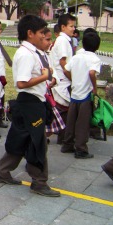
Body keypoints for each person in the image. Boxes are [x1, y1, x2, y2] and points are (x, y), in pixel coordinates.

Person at [0, 15, 60, 198]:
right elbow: (22, 83)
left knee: (22, 139)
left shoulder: (33, 52)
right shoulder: (25, 54)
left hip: (34, 101)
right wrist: (44, 77)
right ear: (30, 33)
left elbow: (34, 79)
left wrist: (47, 81)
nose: (43, 36)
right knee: (38, 142)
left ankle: (3, 171)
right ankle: (39, 181)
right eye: (40, 33)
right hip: (29, 103)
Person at [60, 32, 101, 158]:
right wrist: (94, 88)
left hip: (75, 92)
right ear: (97, 46)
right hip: (85, 94)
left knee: (71, 120)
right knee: (83, 123)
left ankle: (67, 144)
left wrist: (74, 79)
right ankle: (81, 149)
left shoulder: (77, 57)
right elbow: (92, 73)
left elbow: (66, 69)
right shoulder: (95, 59)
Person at [49, 13, 76, 144]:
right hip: (62, 80)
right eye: (71, 26)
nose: (73, 29)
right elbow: (63, 63)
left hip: (62, 80)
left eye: (74, 26)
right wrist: (73, 78)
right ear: (63, 27)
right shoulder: (63, 40)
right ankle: (59, 136)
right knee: (62, 110)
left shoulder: (64, 40)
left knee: (62, 111)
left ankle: (61, 136)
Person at [38, 28, 65, 141]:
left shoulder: (47, 55)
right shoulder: (33, 56)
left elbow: (53, 70)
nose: (50, 43)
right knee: (39, 119)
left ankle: (43, 136)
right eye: (47, 39)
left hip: (47, 92)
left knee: (49, 118)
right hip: (38, 93)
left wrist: (54, 79)